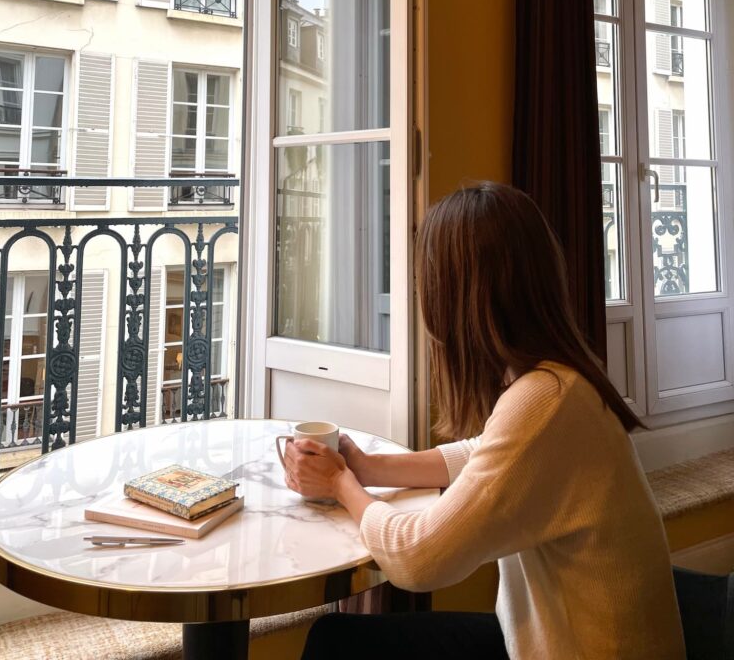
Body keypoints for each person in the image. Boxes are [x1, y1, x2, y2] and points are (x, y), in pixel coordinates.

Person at [282, 182, 685, 660]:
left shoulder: (546, 400)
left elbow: (417, 559)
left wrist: (341, 483)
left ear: (457, 295)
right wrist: (369, 467)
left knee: (337, 646)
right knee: (338, 640)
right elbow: (483, 451)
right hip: (540, 639)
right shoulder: (557, 381)